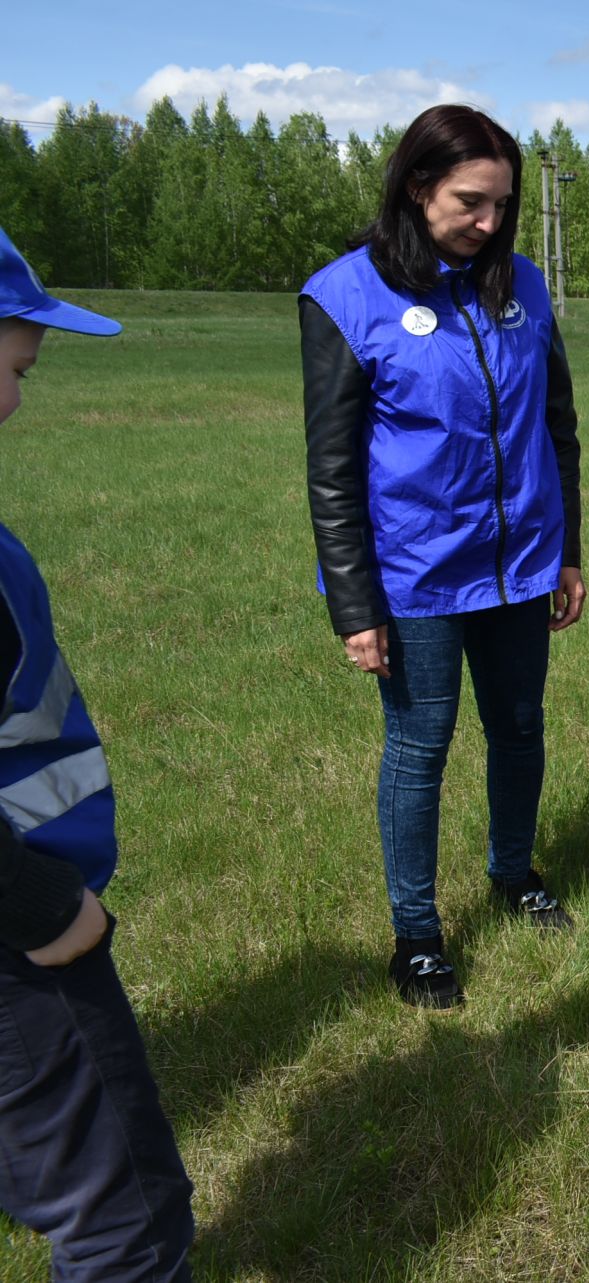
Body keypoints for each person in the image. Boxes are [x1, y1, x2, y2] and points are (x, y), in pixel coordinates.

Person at [299, 105, 585, 1010]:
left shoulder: (524, 287)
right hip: (413, 573)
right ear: (418, 188)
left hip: (518, 563)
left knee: (522, 726)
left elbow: (557, 426)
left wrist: (568, 549)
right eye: (471, 202)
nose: (490, 223)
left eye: (503, 204)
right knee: (420, 747)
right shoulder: (345, 296)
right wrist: (355, 605)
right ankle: (417, 935)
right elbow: (332, 466)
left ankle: (512, 873)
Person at [0, 229, 196, 1277]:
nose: (17, 403)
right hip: (21, 943)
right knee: (124, 1213)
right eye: (18, 367)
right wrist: (48, 912)